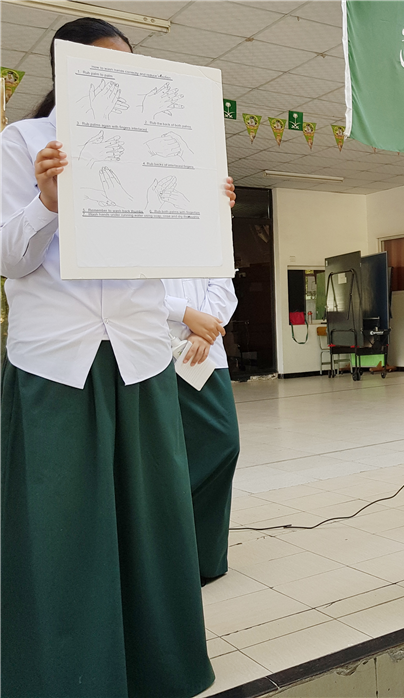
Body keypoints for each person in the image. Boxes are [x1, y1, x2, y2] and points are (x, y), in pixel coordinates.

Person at [0, 17, 231, 697]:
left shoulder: (158, 144)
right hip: (57, 359)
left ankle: (160, 669)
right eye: (106, 66)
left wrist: (208, 213)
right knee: (61, 524)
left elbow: (174, 262)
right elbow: (8, 256)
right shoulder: (23, 142)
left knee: (153, 522)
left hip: (139, 353)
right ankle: (67, 676)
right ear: (66, 70)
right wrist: (47, 201)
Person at [163, 278, 240, 584]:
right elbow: (132, 289)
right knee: (163, 459)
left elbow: (222, 287)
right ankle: (170, 560)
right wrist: (185, 314)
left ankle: (206, 557)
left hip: (205, 354)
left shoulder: (213, 241)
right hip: (158, 350)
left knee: (224, 443)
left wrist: (203, 331)